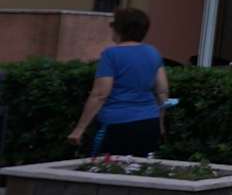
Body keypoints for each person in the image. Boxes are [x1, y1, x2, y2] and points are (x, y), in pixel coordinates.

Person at [68, 8, 169, 158]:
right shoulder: (153, 52)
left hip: (115, 124)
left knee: (108, 168)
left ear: (119, 29)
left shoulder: (111, 55)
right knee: (140, 168)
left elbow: (100, 94)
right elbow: (162, 92)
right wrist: (160, 123)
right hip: (149, 122)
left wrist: (79, 129)